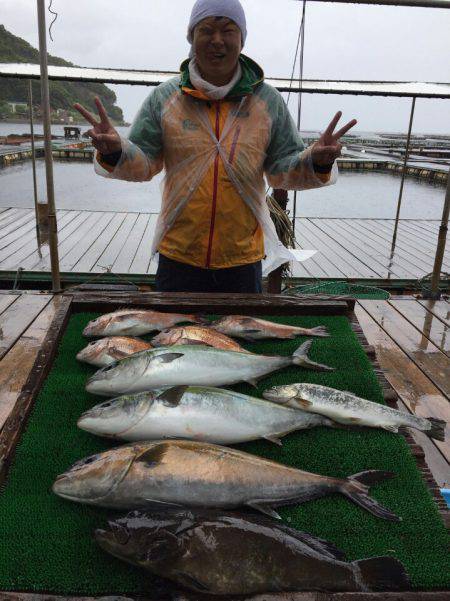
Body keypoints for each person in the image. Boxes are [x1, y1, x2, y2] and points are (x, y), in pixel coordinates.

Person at [74, 0, 356, 293]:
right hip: (178, 254)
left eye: (228, 30)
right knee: (175, 337)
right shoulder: (165, 98)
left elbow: (281, 170)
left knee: (238, 337)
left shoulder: (267, 101)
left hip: (242, 259)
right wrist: (115, 151)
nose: (217, 40)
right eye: (206, 30)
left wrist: (317, 161)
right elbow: (144, 162)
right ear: (192, 38)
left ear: (242, 39)